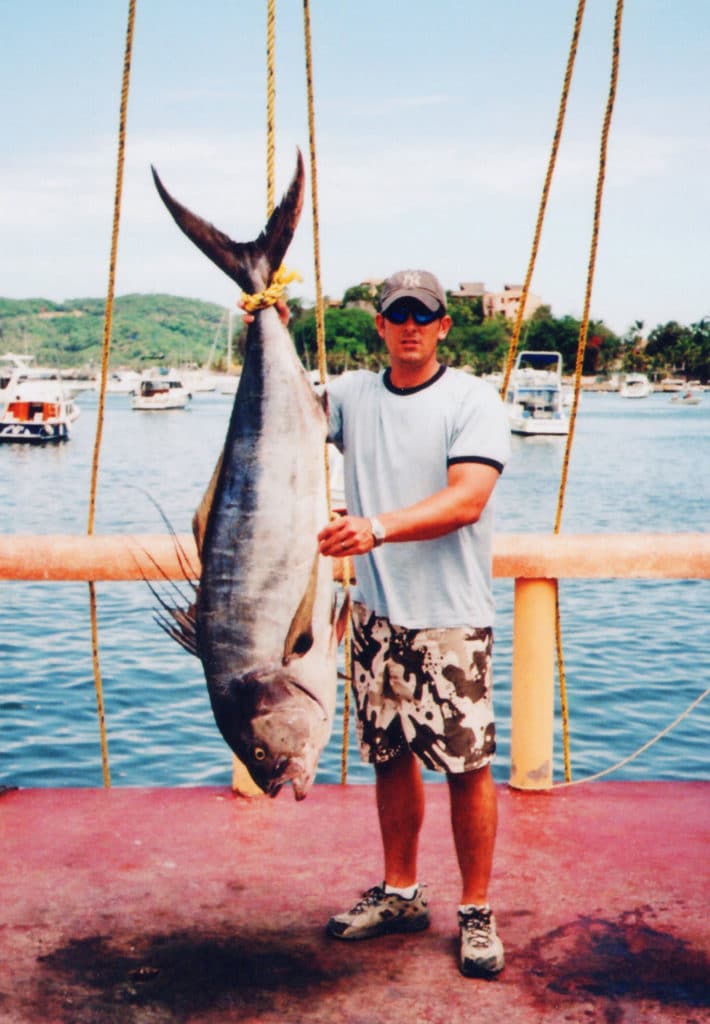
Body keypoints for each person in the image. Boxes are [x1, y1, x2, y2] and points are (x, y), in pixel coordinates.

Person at [317, 269, 511, 979]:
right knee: (389, 757)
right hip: (375, 615)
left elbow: (466, 501)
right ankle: (401, 892)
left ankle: (477, 910)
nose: (409, 327)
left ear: (443, 327)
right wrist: (260, 323)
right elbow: (275, 414)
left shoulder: (472, 400)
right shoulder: (348, 397)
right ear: (379, 325)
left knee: (467, 768)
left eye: (422, 317)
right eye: (396, 315)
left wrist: (375, 528)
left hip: (450, 621)